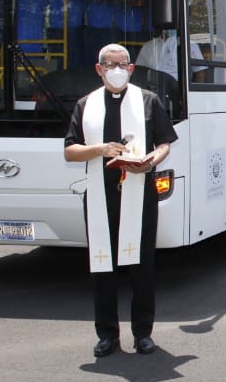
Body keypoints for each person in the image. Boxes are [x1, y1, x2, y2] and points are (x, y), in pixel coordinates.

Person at [64, 44, 177, 358]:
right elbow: (70, 150)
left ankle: (143, 333)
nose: (116, 69)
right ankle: (107, 335)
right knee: (102, 267)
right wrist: (100, 150)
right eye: (109, 64)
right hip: (101, 197)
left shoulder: (148, 101)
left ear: (131, 69)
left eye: (122, 63)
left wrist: (153, 159)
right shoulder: (86, 105)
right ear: (99, 69)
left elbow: (165, 142)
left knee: (143, 267)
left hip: (140, 194)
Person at [135, 28, 207, 81]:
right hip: (152, 91)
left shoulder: (189, 45)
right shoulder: (148, 46)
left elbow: (200, 72)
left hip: (178, 93)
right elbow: (138, 71)